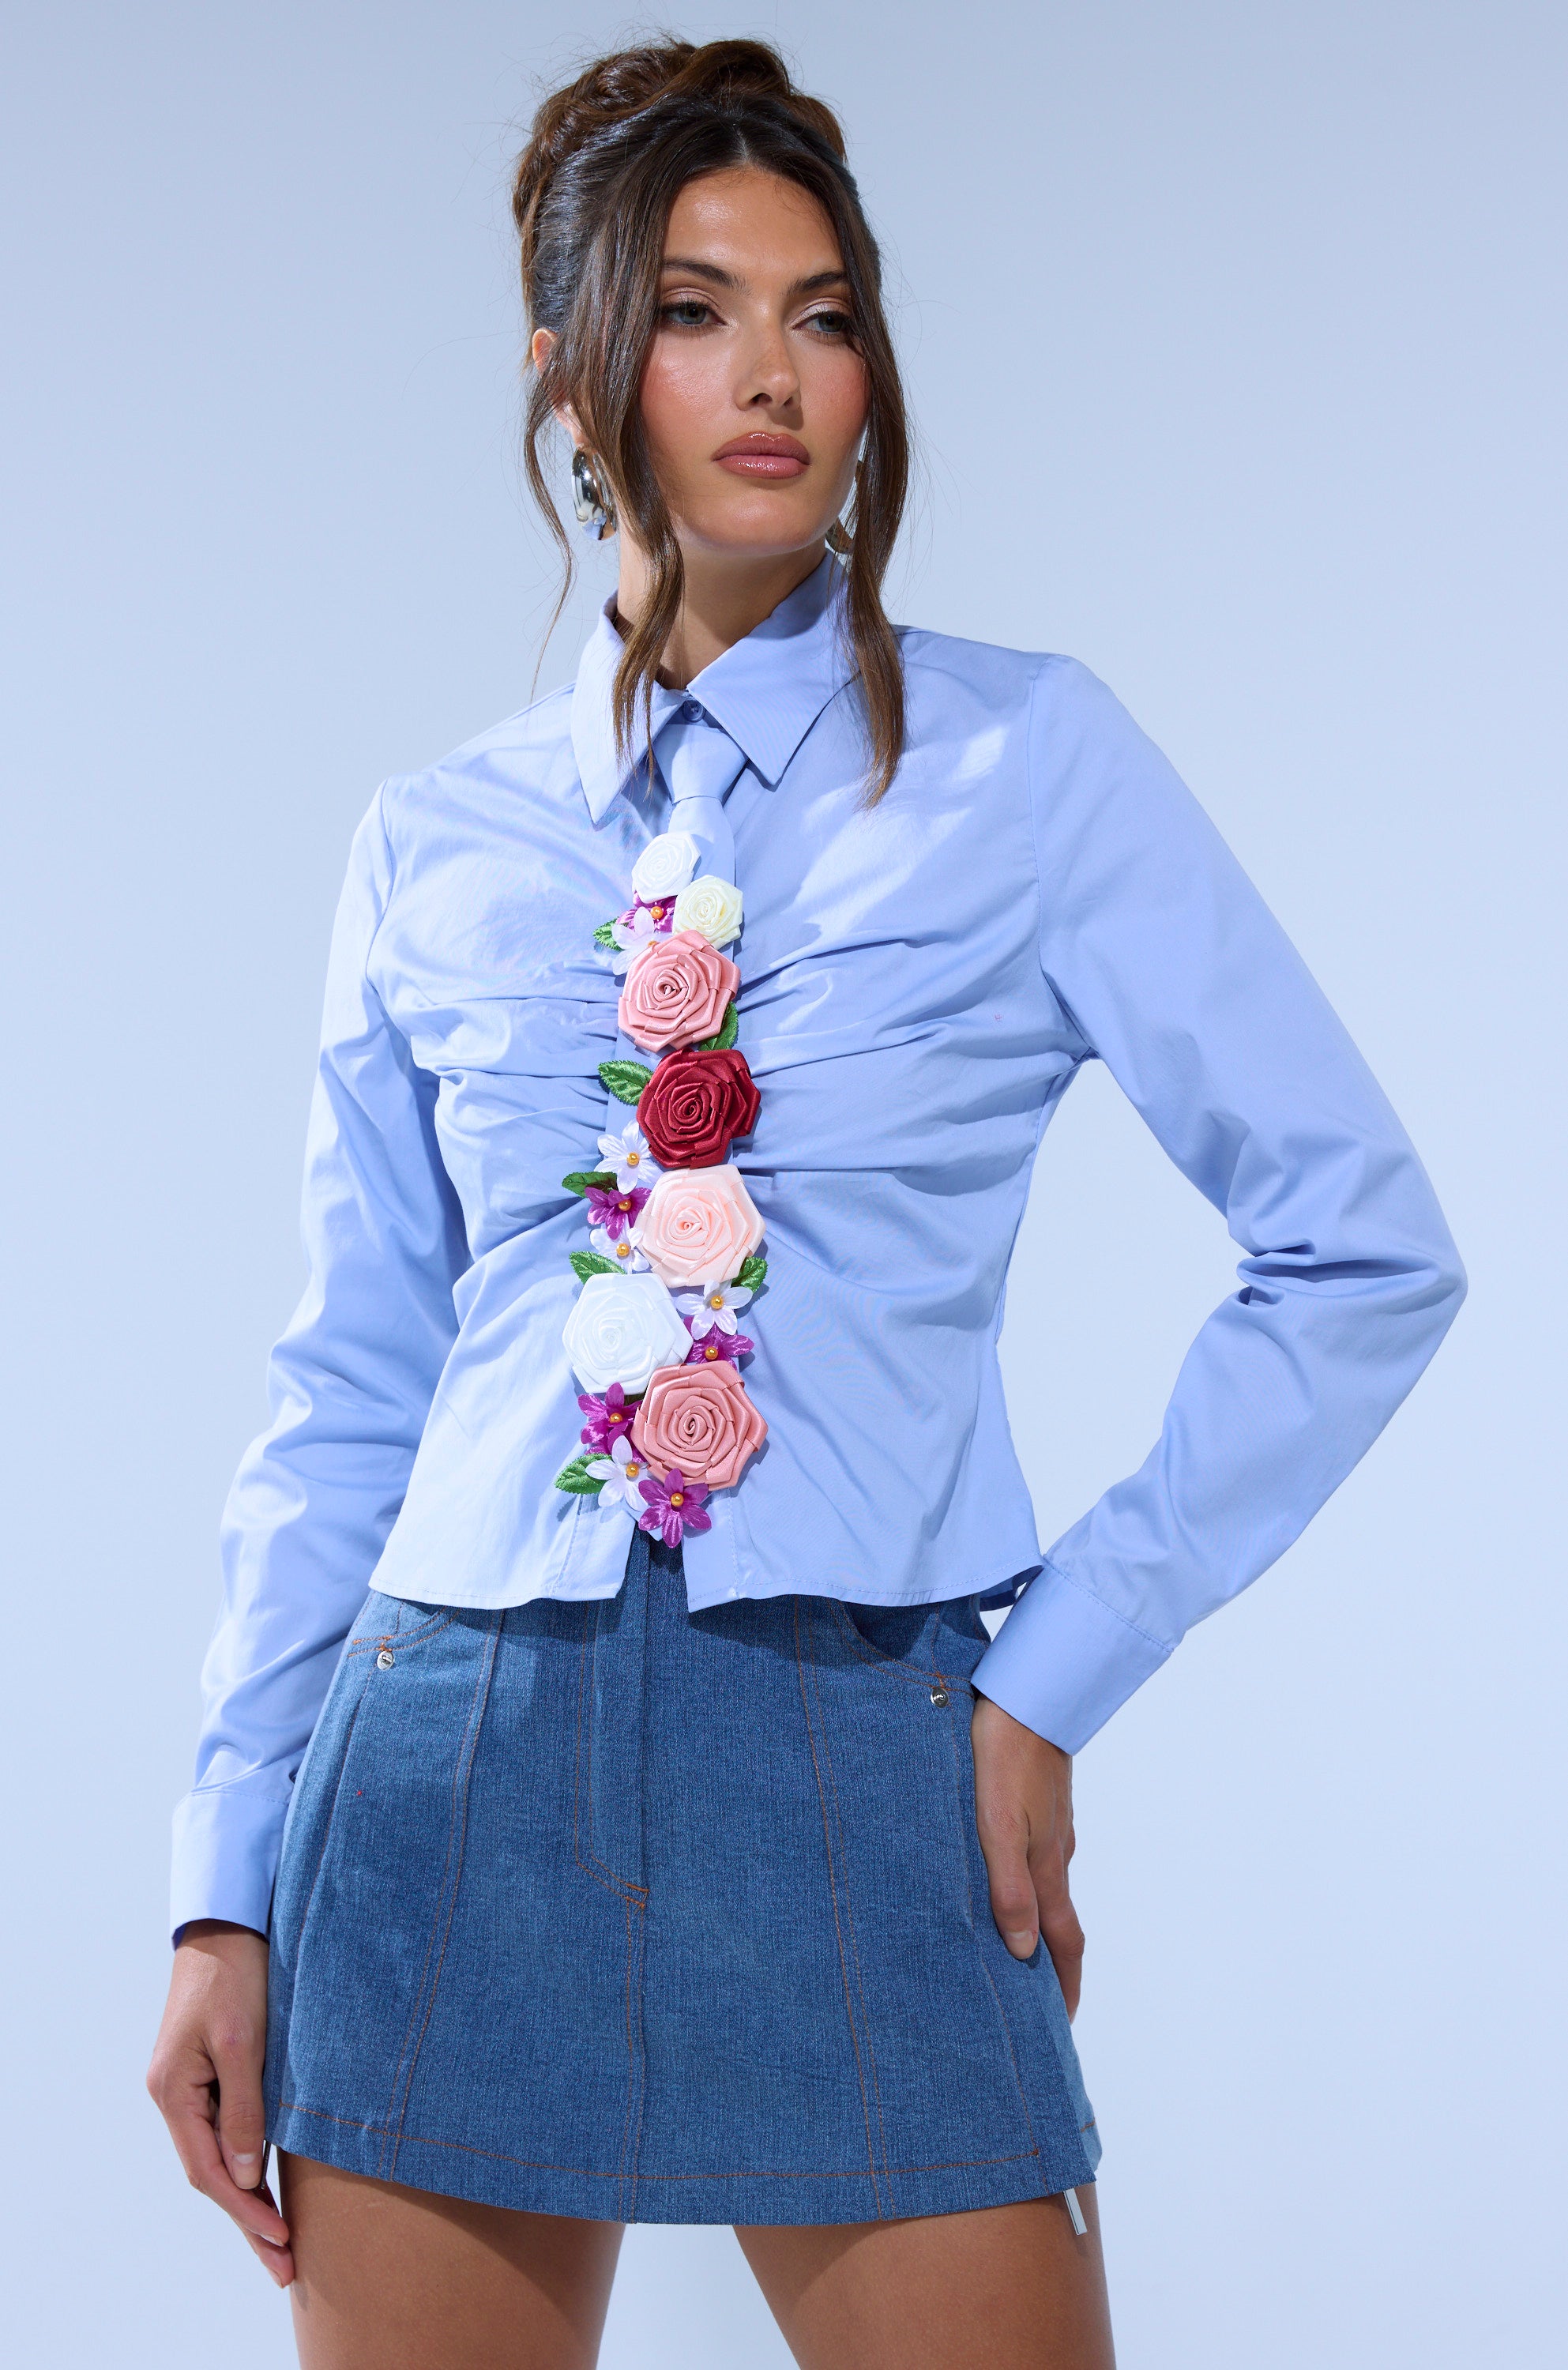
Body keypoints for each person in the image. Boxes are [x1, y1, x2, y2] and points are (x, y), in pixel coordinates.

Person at [147, 38, 1465, 2370]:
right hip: (449, 1763)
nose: (771, 370)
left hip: (880, 1751)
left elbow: (1361, 1246)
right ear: (571, 373)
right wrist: (220, 1894)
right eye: (691, 307)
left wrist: (1053, 1677)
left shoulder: (1030, 764)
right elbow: (348, 1387)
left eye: (825, 311)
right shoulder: (429, 839)